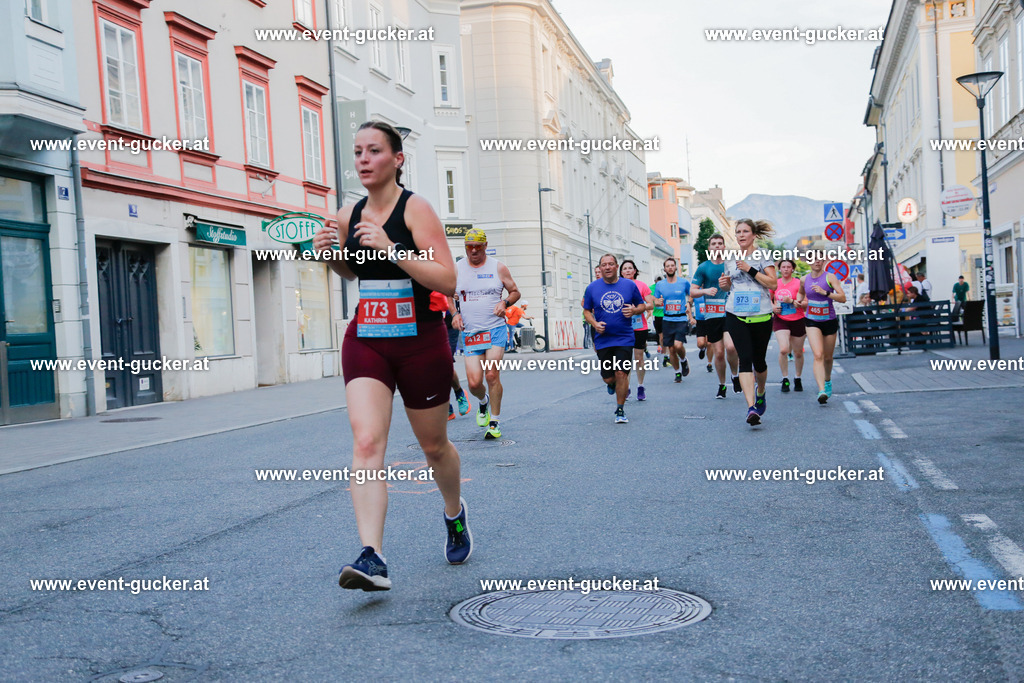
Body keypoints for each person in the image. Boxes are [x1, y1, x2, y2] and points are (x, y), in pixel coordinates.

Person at [311, 120, 470, 591]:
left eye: (374, 150)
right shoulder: (348, 214)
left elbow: (446, 279)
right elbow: (350, 271)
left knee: (433, 447)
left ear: (397, 159)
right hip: (368, 338)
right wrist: (330, 255)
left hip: (420, 340)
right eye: (357, 151)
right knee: (366, 443)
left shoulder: (415, 208)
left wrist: (393, 247)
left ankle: (454, 513)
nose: (362, 159)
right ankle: (372, 556)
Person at [452, 228, 521, 439]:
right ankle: (483, 402)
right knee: (473, 383)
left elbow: (515, 291)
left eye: (477, 247)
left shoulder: (498, 267)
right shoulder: (457, 269)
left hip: (495, 329)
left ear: (485, 246)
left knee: (492, 375)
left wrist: (505, 302)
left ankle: (495, 422)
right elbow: (447, 294)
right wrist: (455, 313)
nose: (473, 251)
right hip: (471, 332)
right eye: (469, 247)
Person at [718, 219, 778, 425]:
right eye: (738, 232)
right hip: (736, 313)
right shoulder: (730, 259)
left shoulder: (764, 256)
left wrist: (751, 269)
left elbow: (773, 283)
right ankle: (751, 408)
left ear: (754, 235)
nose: (741, 235)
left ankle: (760, 392)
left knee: (759, 361)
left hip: (761, 314)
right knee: (745, 358)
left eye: (745, 231)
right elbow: (728, 287)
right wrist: (724, 284)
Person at [584, 253, 645, 423]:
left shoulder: (628, 285)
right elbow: (586, 311)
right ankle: (611, 384)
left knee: (621, 373)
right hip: (603, 339)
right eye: (604, 265)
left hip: (624, 338)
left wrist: (633, 310)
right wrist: (595, 324)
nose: (608, 267)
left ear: (616, 266)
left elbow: (641, 305)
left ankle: (620, 410)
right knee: (608, 377)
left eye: (611, 264)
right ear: (600, 268)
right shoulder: (592, 288)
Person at [690, 234, 738, 399]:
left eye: (720, 243)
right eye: (714, 244)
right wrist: (705, 291)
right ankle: (722, 385)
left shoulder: (731, 265)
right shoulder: (703, 267)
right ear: (709, 248)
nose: (717, 246)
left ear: (724, 247)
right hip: (712, 314)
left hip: (730, 312)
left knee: (731, 347)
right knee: (718, 353)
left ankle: (735, 375)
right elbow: (692, 291)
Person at [798, 253, 847, 404]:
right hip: (812, 320)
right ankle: (821, 391)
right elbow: (801, 292)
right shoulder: (804, 279)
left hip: (829, 320)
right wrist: (799, 300)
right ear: (808, 261)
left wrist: (825, 292)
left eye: (820, 259)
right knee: (818, 354)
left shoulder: (830, 277)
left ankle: (827, 380)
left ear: (824, 261)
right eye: (813, 259)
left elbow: (843, 297)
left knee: (827, 357)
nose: (817, 261)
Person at [654, 257, 694, 383]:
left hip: (681, 317)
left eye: (672, 265)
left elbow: (692, 293)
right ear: (664, 269)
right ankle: (677, 372)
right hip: (667, 319)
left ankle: (683, 360)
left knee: (678, 345)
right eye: (668, 266)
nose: (670, 267)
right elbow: (656, 301)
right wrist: (658, 302)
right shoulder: (660, 285)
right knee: (671, 349)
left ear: (676, 268)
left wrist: (688, 303)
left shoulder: (684, 282)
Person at [619, 259, 655, 401]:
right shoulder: (617, 286)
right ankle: (626, 387)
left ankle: (640, 386)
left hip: (639, 325)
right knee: (625, 359)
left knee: (639, 358)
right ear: (621, 272)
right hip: (623, 326)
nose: (627, 270)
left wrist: (637, 309)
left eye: (630, 268)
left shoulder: (641, 286)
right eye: (625, 268)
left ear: (635, 271)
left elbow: (650, 305)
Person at [434, 291, 471, 421]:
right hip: (427, 320)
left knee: (445, 363)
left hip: (448, 323)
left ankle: (459, 392)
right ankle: (446, 405)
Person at [771, 259, 806, 394]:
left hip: (798, 319)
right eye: (783, 267)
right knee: (784, 349)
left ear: (793, 269)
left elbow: (806, 303)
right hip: (781, 320)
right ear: (779, 269)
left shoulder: (798, 283)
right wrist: (773, 307)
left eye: (788, 267)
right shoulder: (775, 283)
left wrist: (792, 301)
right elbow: (768, 299)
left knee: (798, 352)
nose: (785, 269)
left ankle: (797, 377)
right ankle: (785, 378)